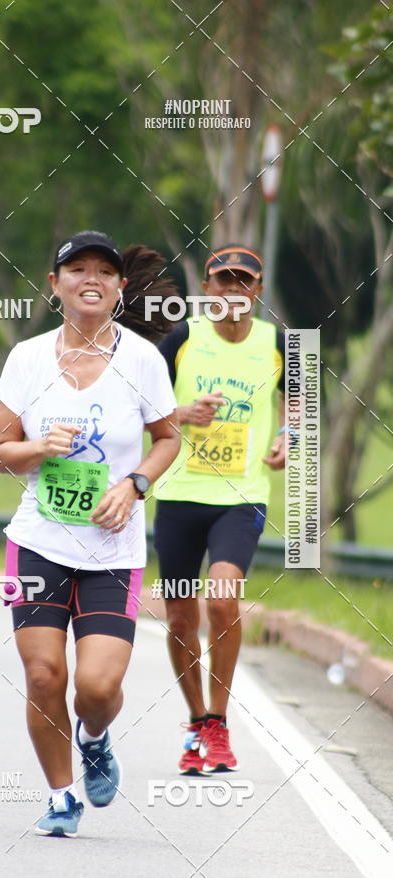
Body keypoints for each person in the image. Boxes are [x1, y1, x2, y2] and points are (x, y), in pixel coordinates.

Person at [0, 231, 180, 837]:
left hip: (114, 551)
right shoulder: (27, 358)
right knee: (45, 673)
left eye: (105, 269)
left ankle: (94, 736)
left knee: (97, 687)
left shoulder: (143, 361)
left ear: (121, 287)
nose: (90, 277)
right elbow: (0, 452)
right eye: (76, 269)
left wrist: (136, 486)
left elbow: (169, 438)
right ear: (56, 285)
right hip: (38, 543)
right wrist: (36, 448)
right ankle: (60, 796)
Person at [153, 244, 289, 775]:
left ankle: (219, 722)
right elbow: (143, 401)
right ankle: (195, 723)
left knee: (223, 599)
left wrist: (288, 435)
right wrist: (181, 412)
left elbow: (299, 399)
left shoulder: (277, 344)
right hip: (180, 494)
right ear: (207, 290)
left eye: (244, 282)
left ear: (257, 291)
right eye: (223, 281)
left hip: (241, 495)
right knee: (180, 614)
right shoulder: (184, 338)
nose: (233, 292)